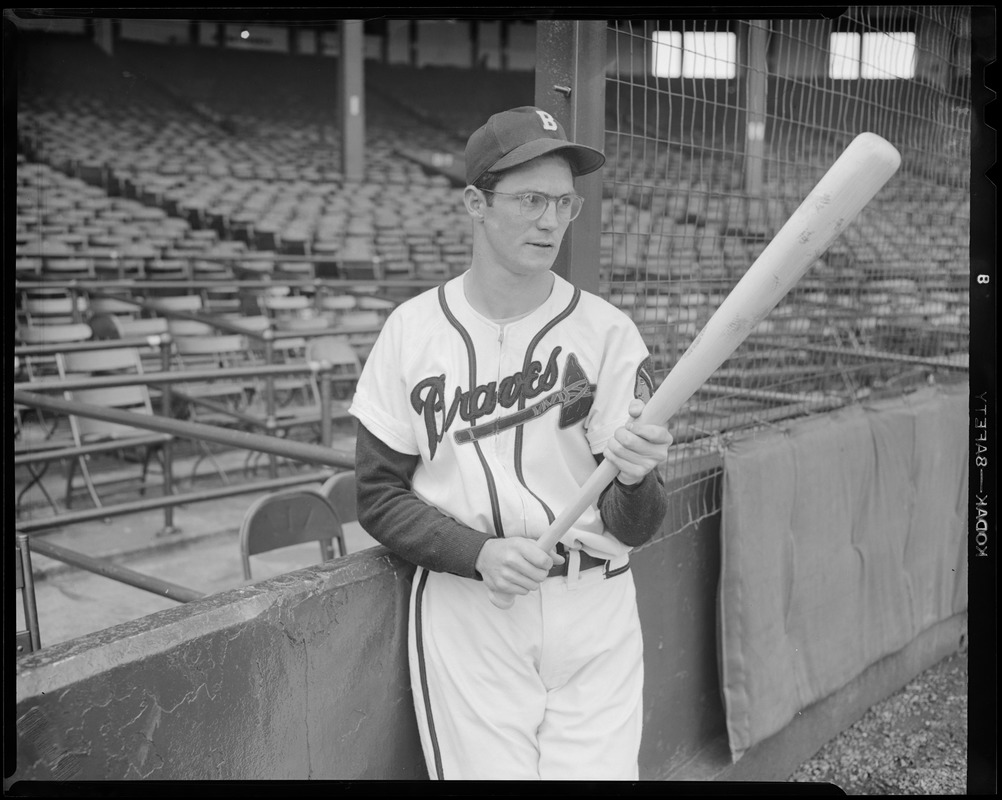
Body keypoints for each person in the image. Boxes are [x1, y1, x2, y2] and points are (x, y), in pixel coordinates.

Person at [348, 106, 672, 781]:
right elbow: (378, 497)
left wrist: (638, 482)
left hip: (596, 603)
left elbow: (634, 527)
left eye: (564, 203)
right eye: (530, 200)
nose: (551, 221)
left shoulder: (607, 335)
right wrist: (478, 552)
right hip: (474, 609)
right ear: (476, 203)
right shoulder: (411, 334)